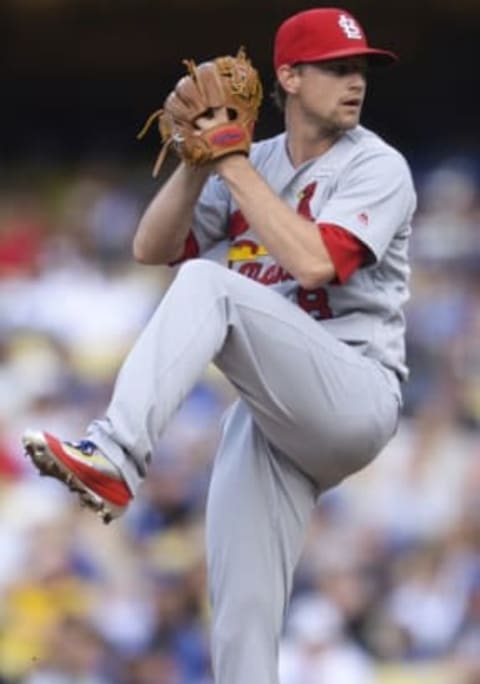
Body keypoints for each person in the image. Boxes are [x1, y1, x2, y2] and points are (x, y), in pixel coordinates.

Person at [23, 7, 416, 684]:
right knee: (239, 621)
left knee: (212, 284)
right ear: (289, 76)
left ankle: (115, 452)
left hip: (354, 388)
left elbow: (316, 264)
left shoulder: (379, 167)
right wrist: (193, 162)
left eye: (361, 70)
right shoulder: (253, 161)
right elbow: (151, 247)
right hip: (274, 416)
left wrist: (230, 163)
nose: (356, 81)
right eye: (338, 67)